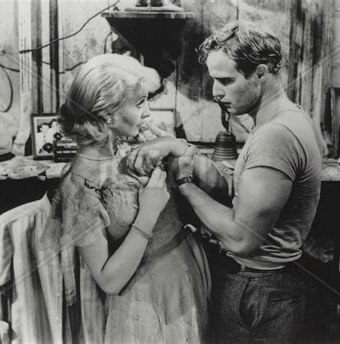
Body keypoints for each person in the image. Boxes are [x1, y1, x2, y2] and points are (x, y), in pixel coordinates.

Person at [133, 21, 322, 343]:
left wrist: (185, 184)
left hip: (256, 291)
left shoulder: (275, 136)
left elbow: (241, 239)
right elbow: (240, 190)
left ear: (260, 73)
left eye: (225, 80)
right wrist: (183, 150)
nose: (215, 92)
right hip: (265, 287)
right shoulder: (290, 118)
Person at [46, 54, 210, 343]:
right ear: (106, 114)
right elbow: (109, 280)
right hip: (145, 298)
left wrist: (172, 143)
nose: (148, 113)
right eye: (139, 104)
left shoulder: (136, 139)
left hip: (183, 277)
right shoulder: (78, 188)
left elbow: (203, 171)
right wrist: (148, 212)